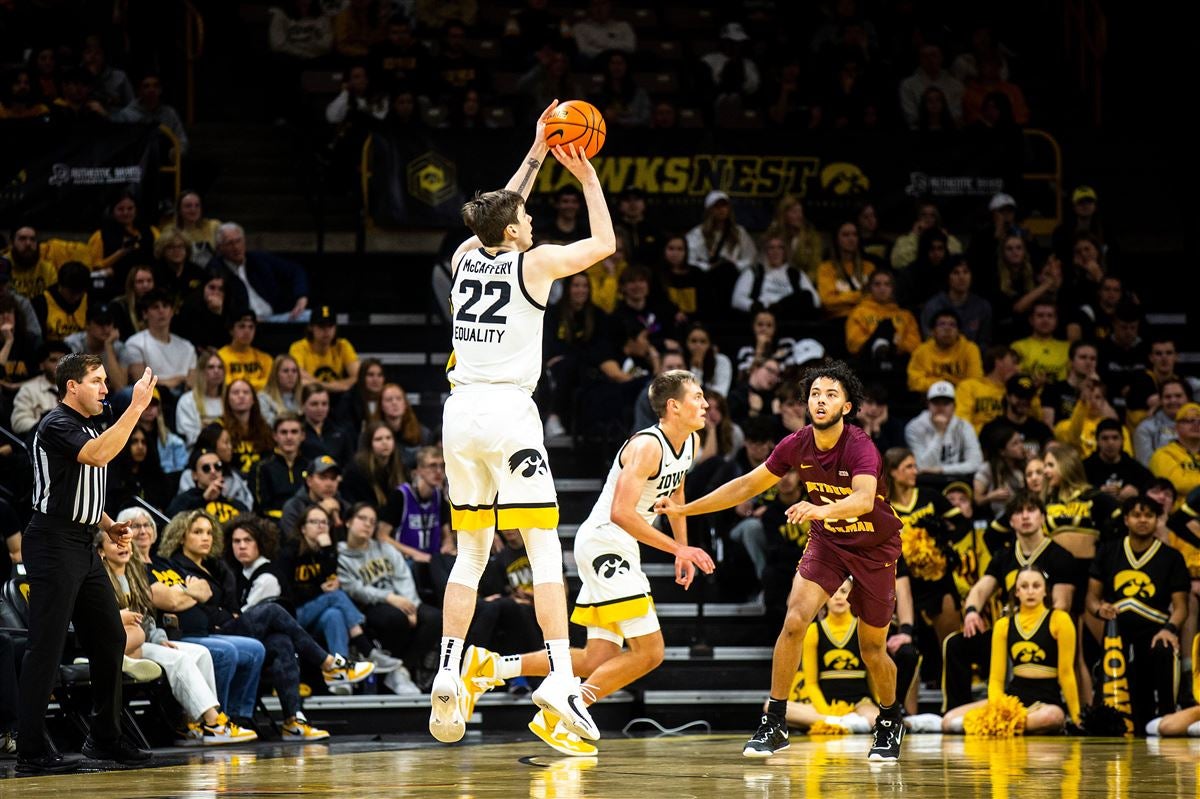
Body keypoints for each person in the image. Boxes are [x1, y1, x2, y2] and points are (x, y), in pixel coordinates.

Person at [431, 102, 615, 745]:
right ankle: (561, 678)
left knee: (472, 552)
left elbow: (500, 205)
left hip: (458, 416)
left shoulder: (462, 256)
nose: (531, 219)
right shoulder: (531, 264)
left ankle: (449, 669)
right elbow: (605, 245)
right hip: (510, 413)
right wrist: (586, 176)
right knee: (543, 549)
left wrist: (538, 149)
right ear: (512, 234)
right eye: (526, 220)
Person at [657, 360, 906, 761]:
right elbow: (745, 485)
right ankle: (775, 722)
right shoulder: (796, 443)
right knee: (793, 622)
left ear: (846, 406)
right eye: (814, 394)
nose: (820, 401)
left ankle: (891, 720)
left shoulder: (860, 445)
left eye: (831, 395)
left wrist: (820, 509)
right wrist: (685, 511)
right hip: (829, 543)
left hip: (873, 548)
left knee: (872, 649)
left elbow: (862, 499)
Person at [457, 370, 715, 755]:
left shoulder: (690, 441)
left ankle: (490, 667)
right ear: (673, 406)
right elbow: (621, 513)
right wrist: (678, 551)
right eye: (697, 397)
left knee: (598, 657)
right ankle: (562, 711)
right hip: (607, 542)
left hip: (618, 547)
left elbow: (674, 491)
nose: (706, 403)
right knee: (650, 651)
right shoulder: (647, 446)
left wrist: (683, 544)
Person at [16, 354, 157, 773]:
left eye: (105, 380)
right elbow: (96, 458)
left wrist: (109, 524)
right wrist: (135, 406)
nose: (104, 387)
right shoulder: (56, 423)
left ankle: (105, 739)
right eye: (96, 380)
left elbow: (78, 487)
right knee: (46, 645)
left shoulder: (93, 423)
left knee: (110, 637)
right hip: (50, 541)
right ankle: (31, 750)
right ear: (71, 386)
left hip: (83, 540)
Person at [95, 518, 257, 745]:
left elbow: (147, 617)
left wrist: (159, 636)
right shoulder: (98, 579)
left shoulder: (135, 574)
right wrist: (119, 618)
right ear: (101, 551)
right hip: (117, 643)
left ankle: (195, 723)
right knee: (178, 659)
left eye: (126, 543)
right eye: (115, 543)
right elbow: (92, 617)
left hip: (142, 640)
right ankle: (214, 722)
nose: (123, 547)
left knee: (200, 653)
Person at [940, 491, 1076, 712]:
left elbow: (1062, 605)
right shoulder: (1003, 556)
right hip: (1005, 634)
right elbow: (981, 589)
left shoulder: (1059, 556)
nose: (1025, 516)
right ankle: (956, 710)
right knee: (956, 644)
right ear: (1011, 521)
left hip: (1044, 640)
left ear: (1042, 517)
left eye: (1031, 511)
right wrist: (973, 611)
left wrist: (1027, 623)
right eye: (1018, 512)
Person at [1087, 494, 1189, 730]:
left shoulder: (1171, 557)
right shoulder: (1108, 551)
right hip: (1118, 631)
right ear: (1126, 519)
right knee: (1128, 705)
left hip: (1156, 631)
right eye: (1136, 515)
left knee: (1165, 648)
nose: (1143, 520)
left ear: (1157, 520)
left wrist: (1169, 630)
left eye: (1149, 515)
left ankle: (1167, 717)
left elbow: (1181, 607)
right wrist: (1098, 608)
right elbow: (1091, 598)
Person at [941, 566, 1080, 734]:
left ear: (1045, 591)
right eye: (1024, 586)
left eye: (1036, 586)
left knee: (1052, 717)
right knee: (948, 721)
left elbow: (1067, 674)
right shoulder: (1004, 625)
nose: (1030, 591)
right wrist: (1000, 710)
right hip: (1013, 698)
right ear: (1016, 592)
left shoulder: (1060, 620)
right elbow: (996, 680)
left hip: (1046, 701)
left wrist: (1077, 719)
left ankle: (994, 727)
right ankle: (1008, 725)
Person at [338, 502, 443, 694]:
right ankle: (394, 672)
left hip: (402, 600)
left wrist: (410, 605)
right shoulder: (340, 555)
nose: (368, 524)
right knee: (395, 618)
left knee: (435, 618)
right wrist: (389, 598)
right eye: (362, 519)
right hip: (368, 606)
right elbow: (354, 589)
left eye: (372, 521)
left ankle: (401, 670)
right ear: (348, 522)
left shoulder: (385, 548)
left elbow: (404, 576)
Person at [782, 580, 881, 733]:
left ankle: (844, 723)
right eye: (832, 592)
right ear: (824, 598)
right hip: (824, 701)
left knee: (878, 720)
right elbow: (811, 682)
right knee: (771, 706)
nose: (838, 597)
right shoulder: (813, 631)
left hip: (860, 701)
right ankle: (840, 722)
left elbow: (873, 676)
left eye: (843, 591)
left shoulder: (864, 628)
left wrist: (883, 705)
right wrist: (828, 712)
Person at [904, 381, 984, 478]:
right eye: (936, 403)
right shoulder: (914, 427)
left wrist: (941, 470)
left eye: (946, 403)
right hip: (925, 481)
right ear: (928, 405)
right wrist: (940, 433)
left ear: (954, 406)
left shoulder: (963, 426)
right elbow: (922, 466)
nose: (941, 408)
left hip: (956, 480)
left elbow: (976, 463)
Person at [907, 309, 984, 393]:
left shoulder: (970, 349)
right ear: (933, 331)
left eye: (952, 325)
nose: (947, 329)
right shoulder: (921, 351)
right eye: (941, 324)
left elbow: (975, 381)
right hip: (930, 397)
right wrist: (943, 383)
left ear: (958, 331)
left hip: (962, 397)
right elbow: (914, 383)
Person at [289, 304, 360, 392]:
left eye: (330, 326)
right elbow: (298, 375)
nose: (326, 331)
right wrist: (331, 387)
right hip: (310, 397)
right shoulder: (298, 347)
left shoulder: (343, 345)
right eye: (321, 326)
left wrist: (320, 385)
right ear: (310, 327)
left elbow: (359, 376)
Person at [253, 413, 308, 516]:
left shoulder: (309, 466)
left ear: (302, 436)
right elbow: (261, 507)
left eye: (294, 432)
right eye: (283, 432)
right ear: (275, 436)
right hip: (272, 524)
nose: (289, 437)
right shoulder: (261, 467)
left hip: (306, 522)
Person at [1086, 418, 1153, 501]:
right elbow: (1074, 490)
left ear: (1122, 440)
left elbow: (1153, 486)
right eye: (1105, 438)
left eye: (1115, 438)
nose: (1110, 443)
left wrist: (1137, 492)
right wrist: (1096, 492)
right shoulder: (1086, 467)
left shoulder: (1133, 466)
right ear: (1097, 441)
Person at [11, 340, 67, 436]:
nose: (59, 365)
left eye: (63, 360)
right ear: (41, 365)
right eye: (53, 360)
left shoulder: (77, 387)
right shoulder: (29, 390)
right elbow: (18, 423)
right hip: (42, 441)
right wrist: (48, 426)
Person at [1149, 402, 1200, 501]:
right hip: (1179, 514)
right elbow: (1178, 485)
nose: (1196, 424)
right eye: (1189, 420)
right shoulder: (1163, 454)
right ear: (1176, 427)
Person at [175, 348, 226, 446]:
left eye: (220, 367)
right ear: (202, 371)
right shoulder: (187, 401)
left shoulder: (229, 400)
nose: (216, 371)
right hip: (200, 452)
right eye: (211, 367)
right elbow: (190, 437)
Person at [218, 311, 273, 392]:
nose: (247, 331)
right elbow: (228, 385)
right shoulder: (220, 357)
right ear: (231, 330)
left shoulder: (265, 358)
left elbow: (271, 384)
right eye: (241, 326)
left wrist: (240, 381)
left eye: (251, 327)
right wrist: (257, 383)